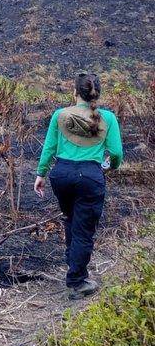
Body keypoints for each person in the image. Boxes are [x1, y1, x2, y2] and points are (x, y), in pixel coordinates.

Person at [34, 73, 123, 300]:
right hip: (90, 176)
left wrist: (41, 174)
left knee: (72, 221)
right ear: (97, 94)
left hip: (61, 175)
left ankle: (75, 269)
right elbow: (116, 153)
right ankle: (77, 280)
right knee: (83, 228)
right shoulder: (108, 118)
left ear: (74, 92)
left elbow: (49, 148)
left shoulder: (60, 115)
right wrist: (109, 166)